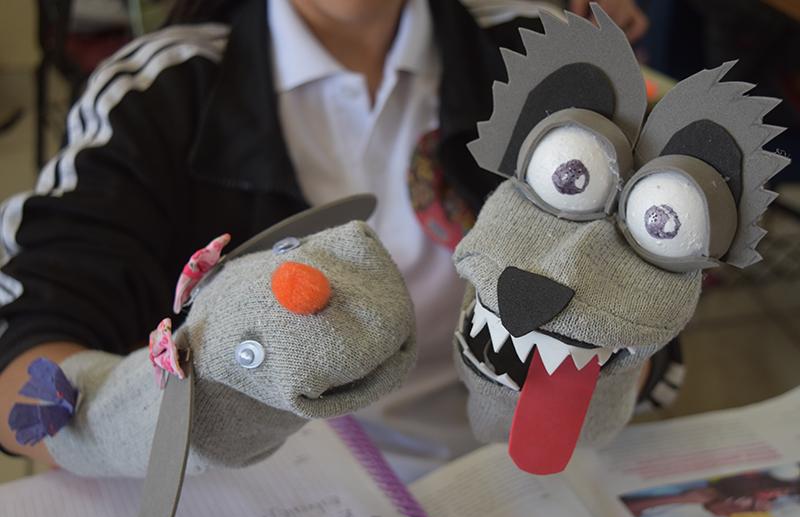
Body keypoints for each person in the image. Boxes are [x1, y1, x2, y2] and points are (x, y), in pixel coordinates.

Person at [0, 0, 650, 475]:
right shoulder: (158, 90)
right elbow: (22, 372)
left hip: (511, 479)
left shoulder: (543, 55)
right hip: (253, 511)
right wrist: (197, 415)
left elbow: (640, 309)